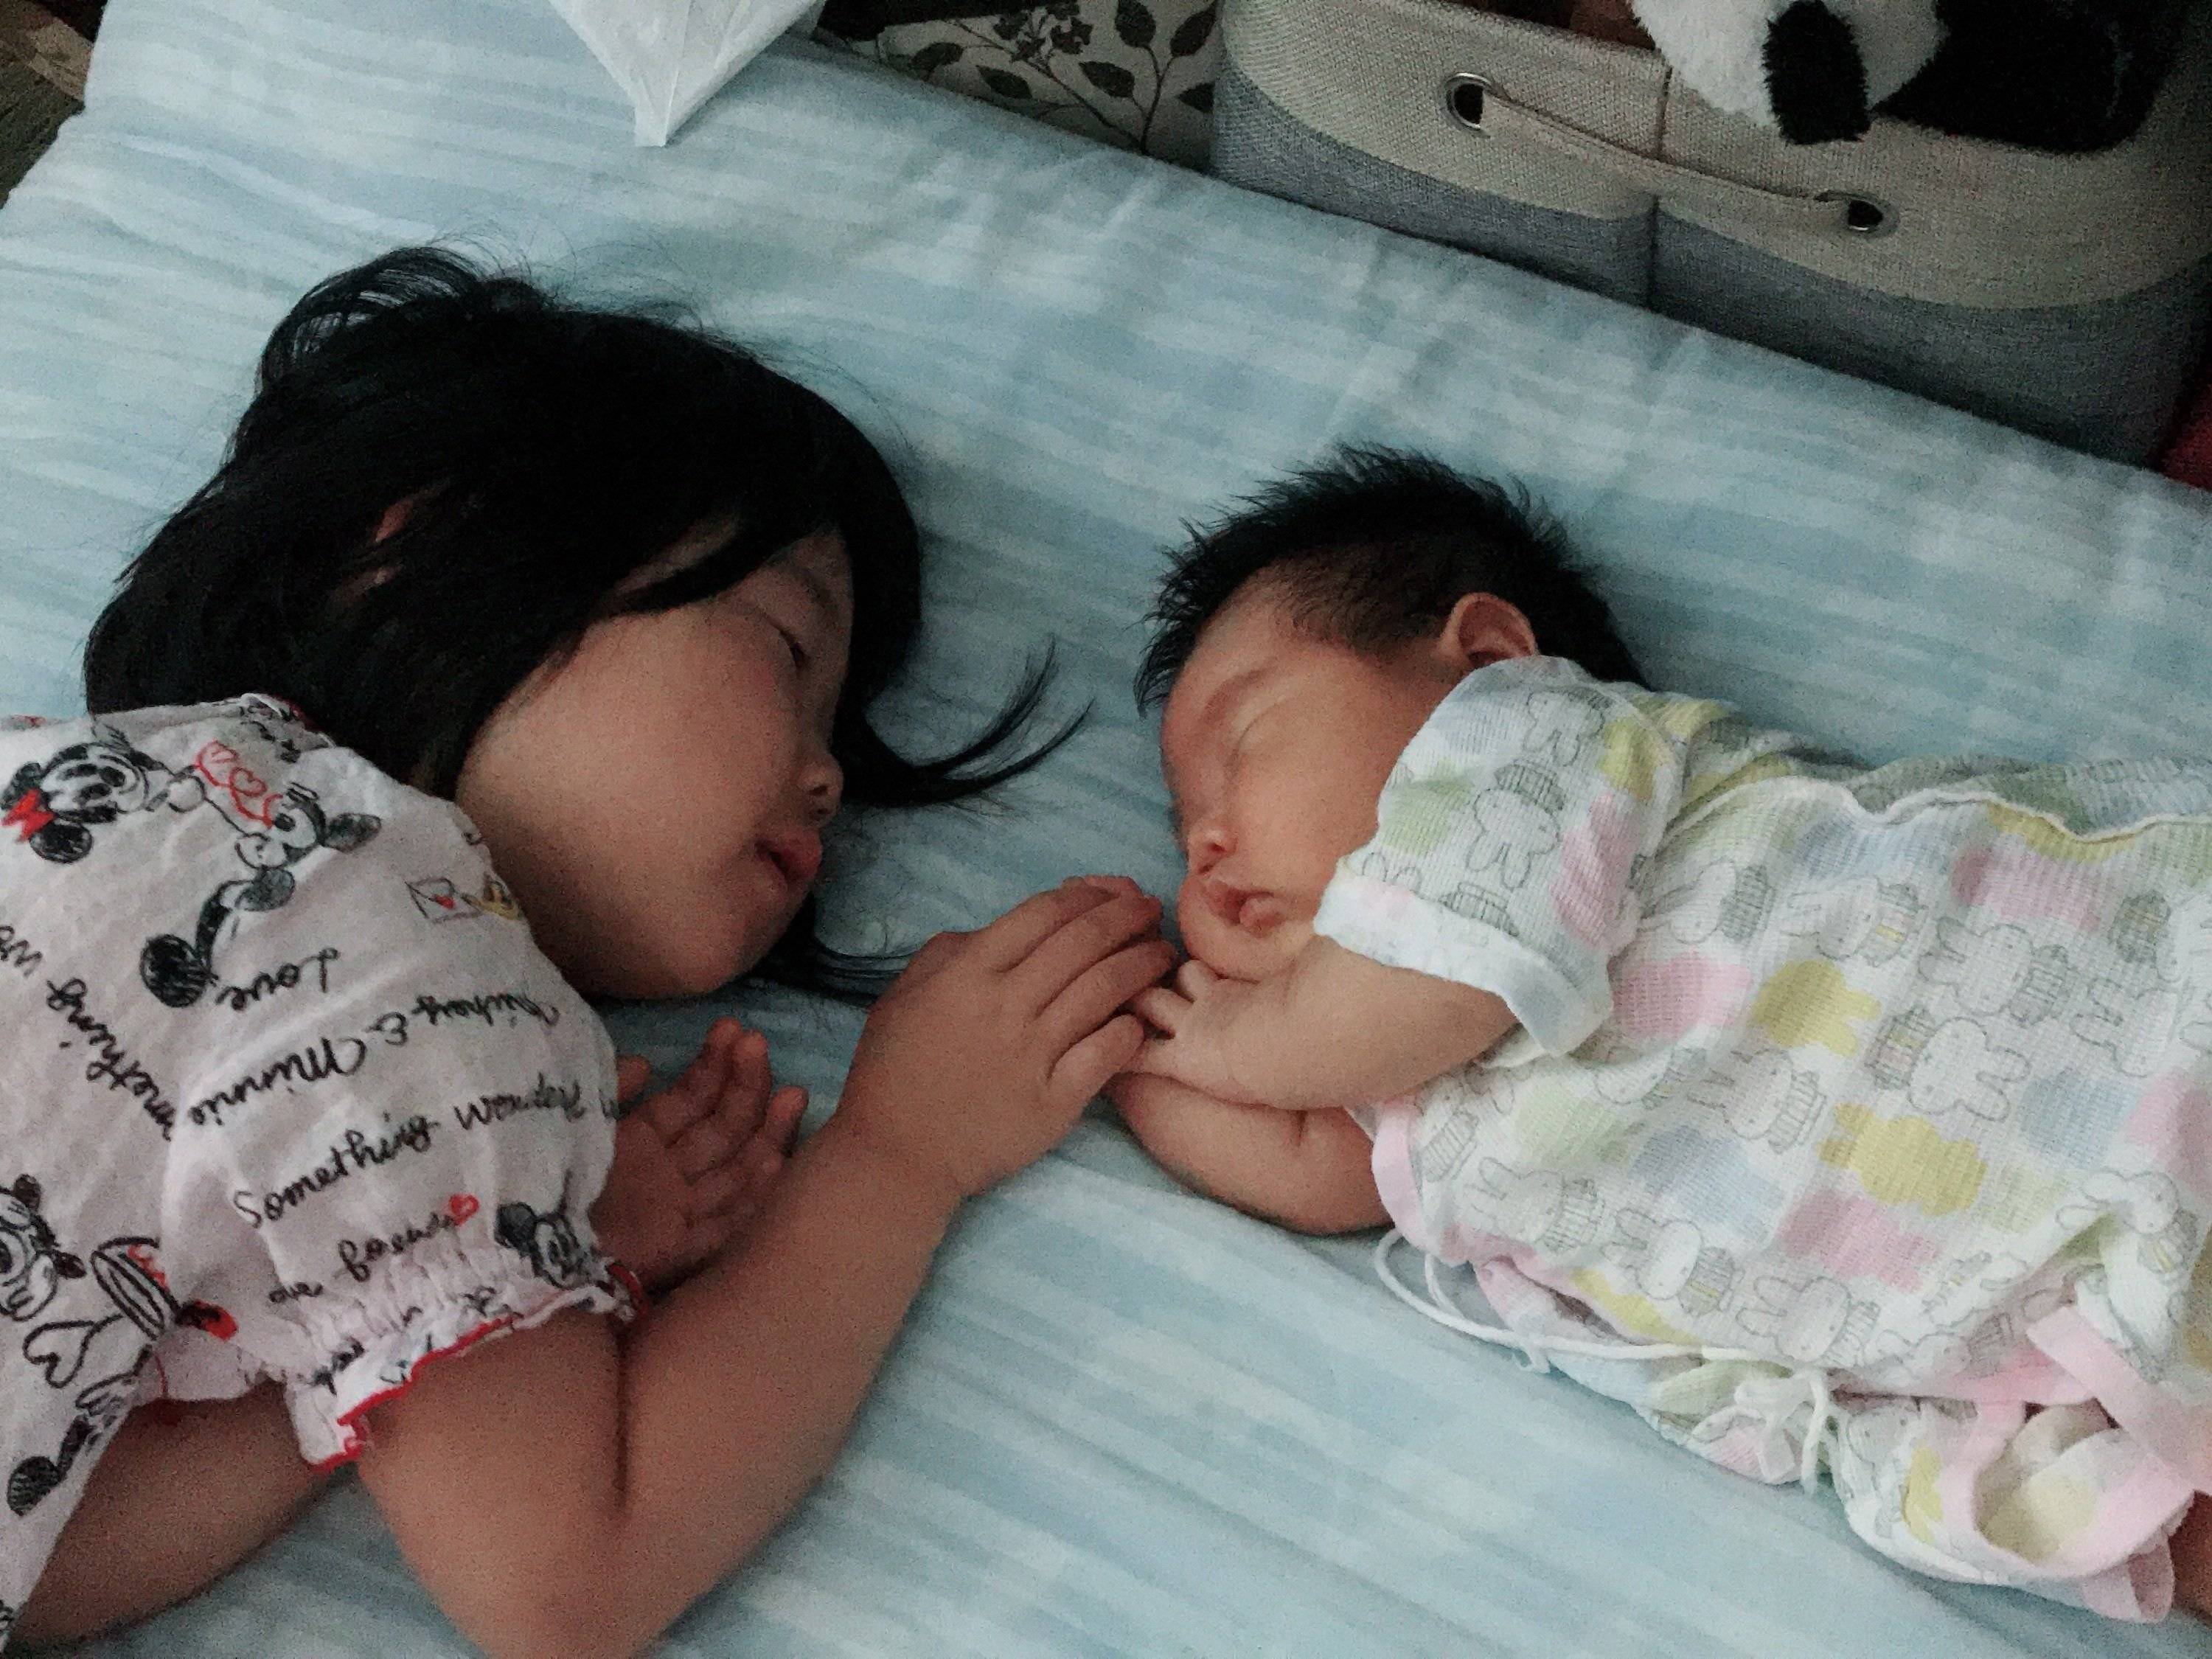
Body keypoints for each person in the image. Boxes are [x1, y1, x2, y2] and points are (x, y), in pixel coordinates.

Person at [4, 246, 1172, 1653]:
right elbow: (568, 1577)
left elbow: (42, 1552)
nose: (827, 783)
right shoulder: (394, 926)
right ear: (426, 553)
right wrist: (900, 1155)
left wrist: (461, 1300)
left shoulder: (80, 793)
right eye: (787, 649)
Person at [1108, 446, 2212, 1622]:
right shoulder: (1380, 1065)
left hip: (2117, 1041)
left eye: (1243, 742)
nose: (1206, 841)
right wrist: (1119, 1040)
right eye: (1183, 828)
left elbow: (1420, 994)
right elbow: (1323, 1171)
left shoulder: (1531, 751)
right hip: (2003, 1300)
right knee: (2108, 1504)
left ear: (1486, 656)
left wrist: (1227, 1042)